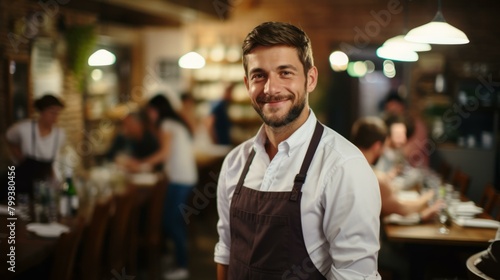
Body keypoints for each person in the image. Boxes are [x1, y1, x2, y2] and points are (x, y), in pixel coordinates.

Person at [214, 22, 381, 279]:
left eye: (285, 73)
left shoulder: (344, 166)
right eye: (259, 75)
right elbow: (226, 251)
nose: (271, 88)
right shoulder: (235, 162)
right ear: (248, 84)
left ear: (310, 79)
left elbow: (354, 275)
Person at [350, 116, 444, 280]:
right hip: (361, 252)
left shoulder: (349, 166)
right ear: (378, 146)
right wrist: (430, 200)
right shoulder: (374, 177)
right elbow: (403, 209)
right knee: (411, 262)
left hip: (342, 248)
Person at [130, 94, 198, 280]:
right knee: (172, 220)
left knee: (171, 221)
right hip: (183, 177)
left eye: (150, 110)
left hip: (180, 179)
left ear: (157, 110)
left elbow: (164, 154)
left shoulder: (166, 124)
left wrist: (140, 164)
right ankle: (174, 258)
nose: (149, 115)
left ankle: (182, 265)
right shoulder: (175, 122)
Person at [6, 94, 66, 197]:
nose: (55, 116)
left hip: (43, 184)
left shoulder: (59, 135)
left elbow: (54, 162)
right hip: (22, 182)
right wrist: (18, 156)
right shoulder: (24, 128)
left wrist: (57, 183)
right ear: (42, 111)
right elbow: (9, 137)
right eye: (52, 112)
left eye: (57, 113)